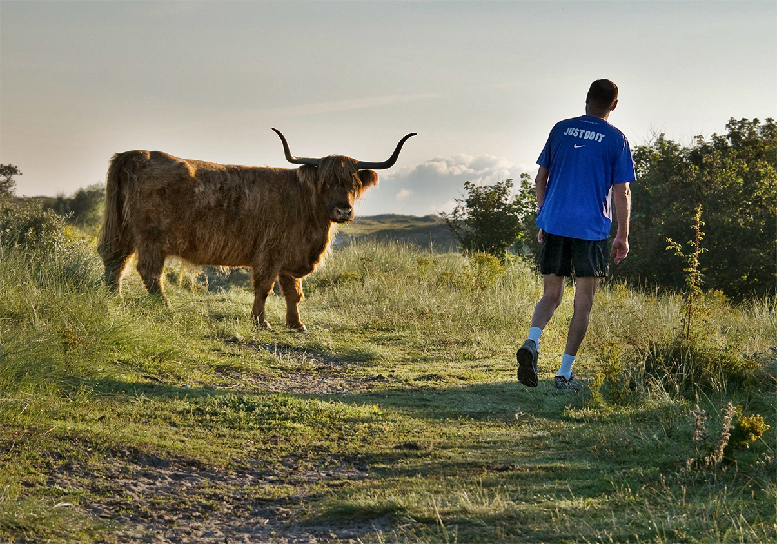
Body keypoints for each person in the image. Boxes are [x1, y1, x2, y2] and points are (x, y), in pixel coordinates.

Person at [516, 79, 634, 391]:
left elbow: (541, 178)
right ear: (614, 104)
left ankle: (531, 342)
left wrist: (543, 217)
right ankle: (564, 374)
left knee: (550, 295)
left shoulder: (561, 129)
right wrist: (622, 235)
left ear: (586, 99)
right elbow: (621, 192)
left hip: (555, 222)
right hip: (590, 230)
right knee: (583, 302)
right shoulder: (616, 139)